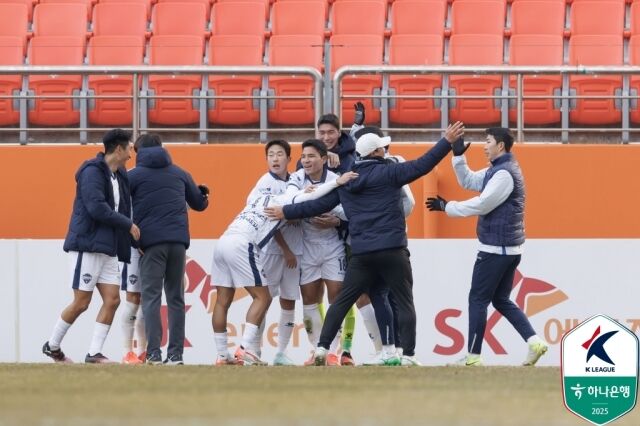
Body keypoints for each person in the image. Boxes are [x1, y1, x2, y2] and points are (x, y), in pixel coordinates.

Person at [266, 122, 465, 366]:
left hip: (362, 254)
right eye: (382, 148)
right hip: (393, 250)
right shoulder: (392, 172)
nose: (385, 150)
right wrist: (446, 141)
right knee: (404, 302)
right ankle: (408, 356)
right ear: (376, 152)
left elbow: (315, 206)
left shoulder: (347, 180)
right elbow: (425, 164)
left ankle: (322, 348)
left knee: (341, 302)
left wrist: (285, 211)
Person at [426, 127, 548, 367]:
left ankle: (473, 357)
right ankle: (535, 342)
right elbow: (469, 181)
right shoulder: (499, 170)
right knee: (501, 300)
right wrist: (458, 157)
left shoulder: (503, 174)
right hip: (507, 249)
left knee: (477, 300)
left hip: (496, 249)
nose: (484, 145)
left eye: (488, 141)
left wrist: (447, 207)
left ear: (500, 146)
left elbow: (482, 204)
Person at [211, 170, 358, 366]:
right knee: (263, 297)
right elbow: (313, 196)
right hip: (241, 244)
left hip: (222, 241)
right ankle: (245, 349)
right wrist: (337, 182)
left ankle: (222, 356)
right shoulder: (285, 199)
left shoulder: (257, 198)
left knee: (222, 301)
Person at [42, 129, 140, 364]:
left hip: (109, 248)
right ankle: (52, 346)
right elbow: (96, 208)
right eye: (128, 148)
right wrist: (128, 225)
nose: (130, 154)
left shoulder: (120, 174)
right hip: (87, 245)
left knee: (113, 300)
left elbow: (123, 207)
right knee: (81, 302)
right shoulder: (91, 172)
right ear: (118, 149)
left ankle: (94, 353)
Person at [129, 134, 209, 365]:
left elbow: (122, 210)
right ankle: (176, 355)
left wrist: (135, 243)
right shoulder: (180, 173)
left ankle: (153, 353)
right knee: (176, 299)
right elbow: (199, 204)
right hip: (178, 243)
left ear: (137, 151)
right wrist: (205, 194)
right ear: (162, 148)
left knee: (151, 298)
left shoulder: (132, 176)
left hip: (150, 244)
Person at [288, 139, 349, 366]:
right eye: (303, 156)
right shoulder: (296, 179)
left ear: (324, 159)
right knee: (310, 301)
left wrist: (336, 219)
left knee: (337, 298)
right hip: (307, 248)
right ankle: (316, 350)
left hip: (333, 247)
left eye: (312, 156)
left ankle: (333, 351)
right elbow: (291, 200)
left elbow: (349, 209)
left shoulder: (336, 180)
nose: (306, 160)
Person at [245, 139, 302, 366]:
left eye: (279, 154)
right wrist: (286, 249)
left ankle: (280, 353)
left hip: (294, 251)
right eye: (271, 155)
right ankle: (253, 351)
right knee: (263, 300)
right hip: (271, 252)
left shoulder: (294, 181)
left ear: (289, 159)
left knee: (289, 301)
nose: (275, 159)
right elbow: (269, 218)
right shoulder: (265, 183)